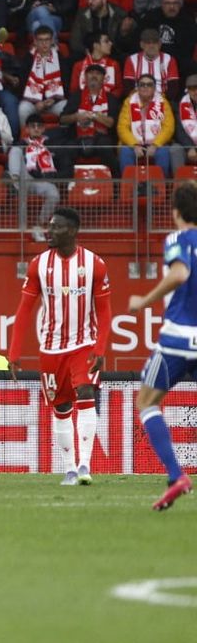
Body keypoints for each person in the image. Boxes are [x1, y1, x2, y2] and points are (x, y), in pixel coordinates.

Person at [8, 207, 110, 486]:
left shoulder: (94, 264)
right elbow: (24, 310)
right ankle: (69, 469)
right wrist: (14, 352)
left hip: (84, 345)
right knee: (61, 406)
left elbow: (105, 311)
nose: (49, 231)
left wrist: (100, 349)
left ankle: (85, 464)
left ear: (73, 231)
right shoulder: (38, 265)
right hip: (51, 349)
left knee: (86, 392)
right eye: (49, 226)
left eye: (56, 227)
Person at [128, 181, 197, 509]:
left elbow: (180, 273)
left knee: (146, 402)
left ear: (175, 212)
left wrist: (144, 300)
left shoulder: (177, 239)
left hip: (178, 339)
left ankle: (176, 475)